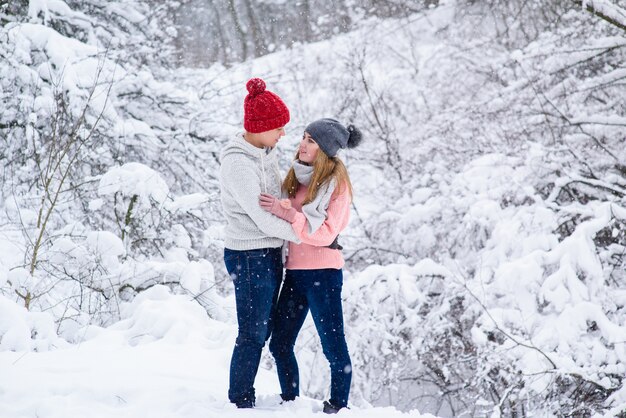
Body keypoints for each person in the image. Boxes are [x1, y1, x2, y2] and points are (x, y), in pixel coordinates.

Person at [258, 118, 363, 414]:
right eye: (303, 138)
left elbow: (325, 233)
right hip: (294, 274)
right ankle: (290, 402)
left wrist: (289, 214)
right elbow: (284, 218)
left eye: (311, 141)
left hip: (324, 275)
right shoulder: (296, 178)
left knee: (333, 347)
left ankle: (338, 406)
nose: (302, 144)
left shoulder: (337, 186)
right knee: (279, 344)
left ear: (326, 149)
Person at [219, 77, 301, 409]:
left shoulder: (266, 153)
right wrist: (307, 236)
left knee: (263, 329)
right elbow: (261, 216)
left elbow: (279, 203)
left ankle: (244, 396)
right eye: (278, 128)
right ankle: (240, 401)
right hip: (249, 253)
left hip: (268, 251)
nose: (283, 134)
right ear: (260, 127)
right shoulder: (238, 162)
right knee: (253, 333)